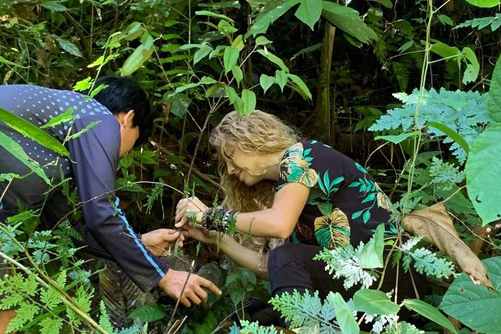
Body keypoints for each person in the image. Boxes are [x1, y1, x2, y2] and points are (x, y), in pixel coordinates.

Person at [0, 75, 220, 333]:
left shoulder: (52, 144)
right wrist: (163, 275)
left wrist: (142, 247)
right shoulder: (98, 118)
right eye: (131, 145)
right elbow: (101, 212)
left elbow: (71, 226)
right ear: (126, 119)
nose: (120, 157)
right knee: (3, 298)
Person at [174, 110, 425, 326]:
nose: (229, 169)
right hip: (362, 282)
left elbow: (279, 226)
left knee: (285, 262)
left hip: (391, 276)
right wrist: (217, 238)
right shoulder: (287, 191)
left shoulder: (301, 155)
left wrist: (210, 216)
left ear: (252, 140)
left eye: (230, 156)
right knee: (258, 311)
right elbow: (270, 267)